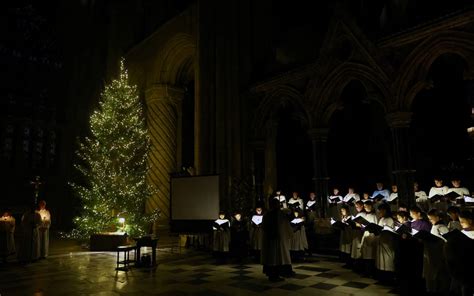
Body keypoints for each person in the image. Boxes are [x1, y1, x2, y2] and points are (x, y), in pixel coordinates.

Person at [261, 198, 294, 282]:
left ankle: (274, 274)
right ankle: (274, 275)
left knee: (275, 256)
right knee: (276, 257)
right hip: (275, 239)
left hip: (275, 239)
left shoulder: (269, 214)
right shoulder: (279, 214)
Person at [424, 209, 450, 294]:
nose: (430, 220)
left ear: (438, 217)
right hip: (434, 253)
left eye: (431, 219)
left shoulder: (442, 227)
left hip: (440, 253)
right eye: (429, 219)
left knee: (440, 273)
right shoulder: (434, 226)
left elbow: (446, 240)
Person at [375, 203, 396, 283]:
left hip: (387, 242)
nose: (379, 212)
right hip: (381, 241)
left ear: (385, 210)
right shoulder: (381, 219)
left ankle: (388, 277)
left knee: (387, 259)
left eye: (381, 210)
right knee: (381, 259)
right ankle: (382, 276)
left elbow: (390, 231)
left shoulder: (389, 219)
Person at [360, 200, 378, 276]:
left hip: (371, 235)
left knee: (370, 254)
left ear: (370, 206)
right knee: (366, 253)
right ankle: (366, 270)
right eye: (364, 206)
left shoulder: (374, 215)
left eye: (366, 206)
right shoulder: (366, 215)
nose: (365, 207)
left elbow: (375, 226)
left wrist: (367, 227)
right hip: (366, 234)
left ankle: (370, 271)